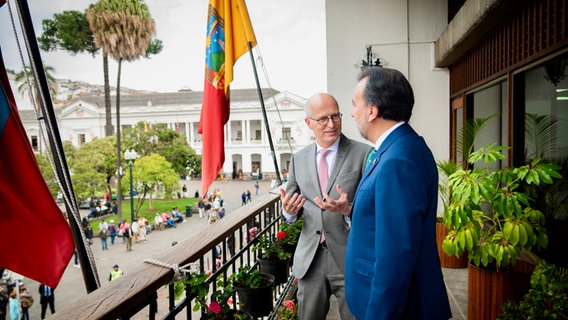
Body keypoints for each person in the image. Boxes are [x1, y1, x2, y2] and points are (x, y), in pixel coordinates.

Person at [343, 67, 451, 319]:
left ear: (372, 110)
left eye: (355, 104)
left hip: (393, 307)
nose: (352, 112)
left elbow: (395, 256)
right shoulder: (400, 147)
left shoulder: (397, 159)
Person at [279, 93, 370, 319]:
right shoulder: (298, 159)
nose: (331, 124)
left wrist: (348, 210)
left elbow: (373, 208)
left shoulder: (364, 153)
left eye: (335, 116)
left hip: (350, 255)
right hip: (311, 258)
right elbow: (290, 204)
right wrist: (288, 213)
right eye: (323, 119)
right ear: (308, 123)